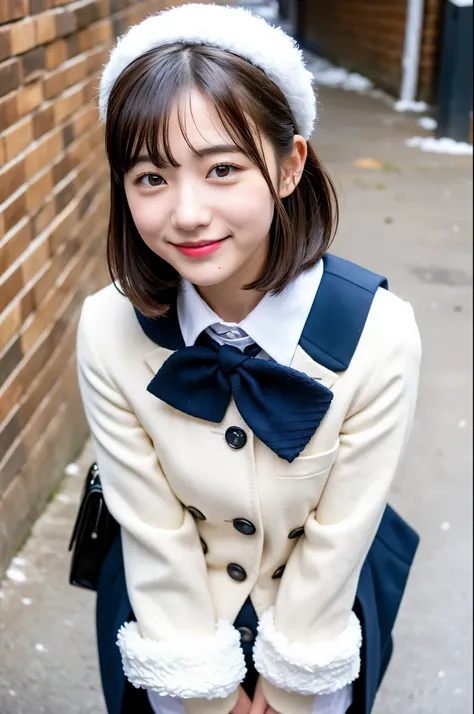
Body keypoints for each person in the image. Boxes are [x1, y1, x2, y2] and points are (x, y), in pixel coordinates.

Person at [76, 4, 422, 714]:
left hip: (318, 625)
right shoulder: (110, 327)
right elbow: (151, 527)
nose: (188, 212)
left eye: (222, 168)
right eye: (150, 177)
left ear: (290, 165)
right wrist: (206, 695)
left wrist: (289, 688)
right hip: (166, 622)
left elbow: (341, 533)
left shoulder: (378, 333)